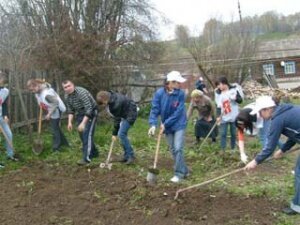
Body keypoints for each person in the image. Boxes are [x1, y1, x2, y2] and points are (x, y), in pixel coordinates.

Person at [245, 96, 300, 215]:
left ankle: (297, 206)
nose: (260, 115)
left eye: (260, 112)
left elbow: (269, 147)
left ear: (267, 109)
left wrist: (255, 161)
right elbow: (295, 134)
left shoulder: (278, 119)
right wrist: (283, 150)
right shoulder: (287, 111)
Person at [148, 71, 189, 183]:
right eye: (177, 82)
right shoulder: (160, 94)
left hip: (179, 123)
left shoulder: (180, 94)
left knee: (178, 147)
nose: (179, 85)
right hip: (167, 126)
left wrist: (165, 123)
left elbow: (178, 112)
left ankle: (179, 174)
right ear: (170, 83)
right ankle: (184, 170)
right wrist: (152, 124)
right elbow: (155, 109)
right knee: (173, 149)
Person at [62, 80, 98, 165]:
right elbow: (70, 110)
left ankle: (86, 159)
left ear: (73, 85)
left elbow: (89, 109)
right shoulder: (67, 96)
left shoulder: (81, 92)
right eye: (65, 87)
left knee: (86, 135)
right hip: (80, 113)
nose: (67, 88)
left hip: (91, 112)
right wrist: (69, 122)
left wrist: (83, 123)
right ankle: (94, 153)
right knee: (82, 134)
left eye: (69, 86)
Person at [27, 79, 69, 152]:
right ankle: (65, 143)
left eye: (33, 89)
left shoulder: (46, 94)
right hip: (51, 109)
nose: (32, 92)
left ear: (37, 86)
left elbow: (55, 103)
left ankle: (56, 148)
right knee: (56, 128)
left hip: (57, 109)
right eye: (31, 90)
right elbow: (42, 101)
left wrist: (49, 114)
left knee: (54, 129)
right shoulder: (38, 92)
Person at [96, 91, 138, 164]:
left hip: (130, 114)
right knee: (121, 134)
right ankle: (126, 156)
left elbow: (117, 120)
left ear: (105, 100)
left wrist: (114, 134)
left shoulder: (115, 105)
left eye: (102, 103)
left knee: (121, 134)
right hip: (126, 112)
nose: (103, 105)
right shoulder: (111, 96)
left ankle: (131, 156)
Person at [215, 77, 239, 151]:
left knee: (233, 133)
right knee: (223, 133)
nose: (219, 87)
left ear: (224, 83)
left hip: (233, 116)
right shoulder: (218, 93)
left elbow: (240, 100)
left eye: (220, 84)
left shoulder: (234, 90)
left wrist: (235, 98)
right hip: (224, 116)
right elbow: (218, 106)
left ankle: (233, 149)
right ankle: (223, 149)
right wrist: (218, 116)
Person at [0, 73, 18, 166]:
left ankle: (10, 155)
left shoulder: (5, 91)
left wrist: (5, 115)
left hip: (1, 116)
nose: (3, 85)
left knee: (9, 134)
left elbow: (3, 104)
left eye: (4, 83)